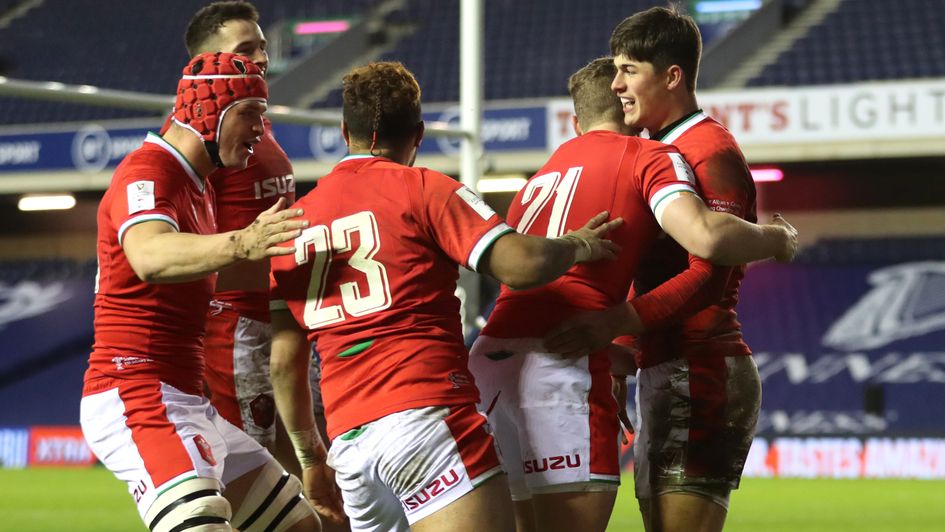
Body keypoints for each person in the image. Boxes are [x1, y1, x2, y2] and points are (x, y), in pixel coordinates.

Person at [268, 61, 624, 532]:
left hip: (350, 444)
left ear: (342, 131)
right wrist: (577, 244)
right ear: (418, 134)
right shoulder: (423, 188)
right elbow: (521, 265)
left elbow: (283, 363)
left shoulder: (294, 222)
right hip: (426, 420)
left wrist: (312, 459)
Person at [467, 57, 797, 532]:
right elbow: (704, 237)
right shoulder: (648, 156)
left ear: (575, 122)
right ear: (627, 107)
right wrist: (775, 238)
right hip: (563, 359)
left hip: (492, 364)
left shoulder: (537, 178)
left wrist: (620, 350)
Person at [547, 7, 778, 531]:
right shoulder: (660, 150)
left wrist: (612, 325)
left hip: (702, 366)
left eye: (630, 70)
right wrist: (624, 358)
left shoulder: (710, 151)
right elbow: (652, 271)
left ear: (672, 76)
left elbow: (706, 277)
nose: (617, 83)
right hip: (668, 365)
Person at [80, 51, 331, 532]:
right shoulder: (149, 172)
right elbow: (150, 257)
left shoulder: (201, 186)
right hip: (136, 391)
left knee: (300, 525)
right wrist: (244, 241)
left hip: (186, 397)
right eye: (251, 113)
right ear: (208, 110)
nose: (262, 128)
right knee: (201, 524)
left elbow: (216, 278)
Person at [175, 3, 339, 497]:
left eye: (263, 46)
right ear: (207, 61)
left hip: (280, 316)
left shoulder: (254, 124)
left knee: (308, 462)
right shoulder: (202, 137)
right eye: (247, 49)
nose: (263, 58)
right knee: (253, 473)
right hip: (237, 325)